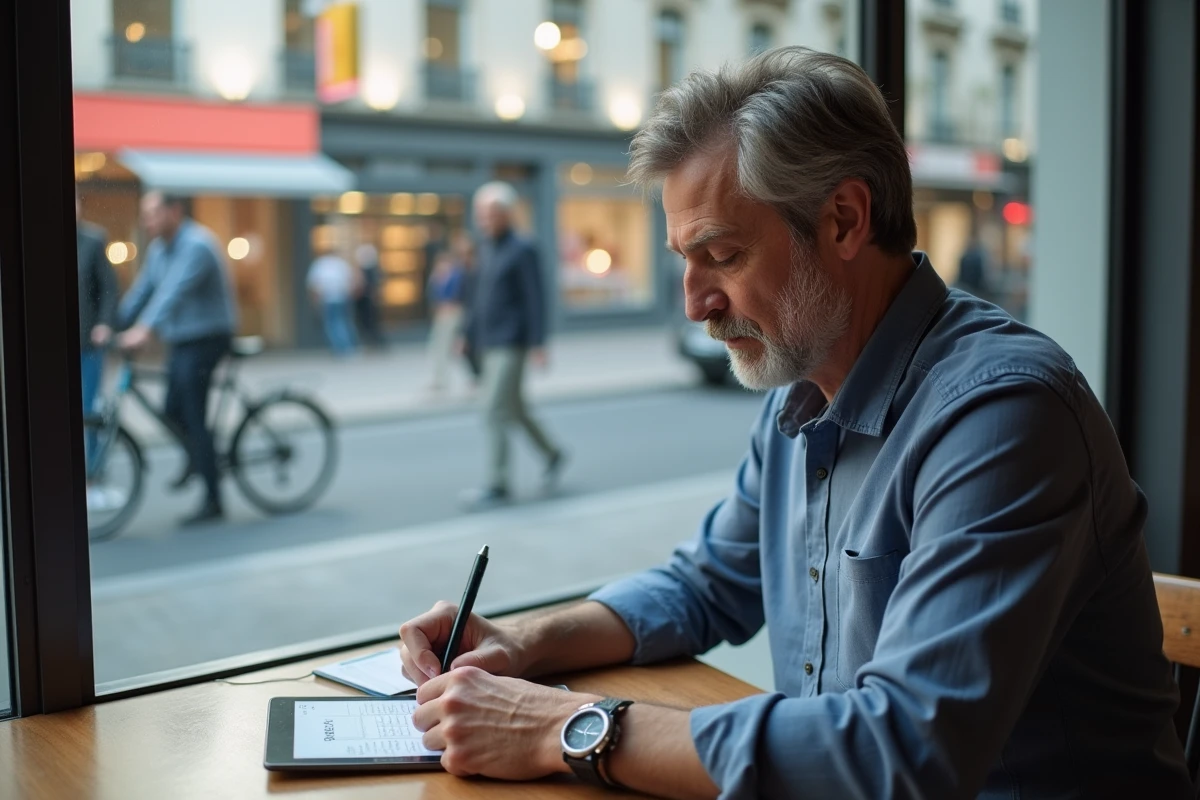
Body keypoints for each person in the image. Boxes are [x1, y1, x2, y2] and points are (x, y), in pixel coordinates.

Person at [396, 48, 1192, 799]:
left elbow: (903, 753)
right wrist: (523, 644)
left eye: (723, 254)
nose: (693, 303)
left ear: (844, 220)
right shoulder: (805, 389)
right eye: (683, 258)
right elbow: (707, 584)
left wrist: (570, 728)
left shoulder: (1005, 415)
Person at [118, 192, 237, 526]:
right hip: (183, 340)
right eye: (145, 214)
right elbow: (142, 292)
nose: (147, 221)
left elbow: (172, 293)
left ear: (175, 211)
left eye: (153, 213)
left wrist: (144, 330)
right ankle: (197, 456)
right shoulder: (158, 250)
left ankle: (214, 499)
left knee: (193, 414)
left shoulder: (197, 244)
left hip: (208, 337)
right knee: (171, 410)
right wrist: (113, 322)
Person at [459, 182, 565, 509]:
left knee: (492, 409)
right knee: (515, 408)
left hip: (512, 341)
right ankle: (552, 453)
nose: (483, 220)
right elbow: (478, 298)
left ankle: (497, 482)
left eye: (490, 214)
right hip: (487, 340)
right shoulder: (485, 248)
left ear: (507, 214)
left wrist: (538, 342)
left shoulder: (523, 248)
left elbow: (535, 298)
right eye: (480, 214)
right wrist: (467, 334)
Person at [76, 196, 119, 510]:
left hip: (89, 341)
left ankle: (91, 478)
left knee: (88, 411)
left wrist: (105, 324)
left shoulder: (93, 240)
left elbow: (107, 287)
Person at [425, 239, 470, 393]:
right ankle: (439, 380)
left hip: (453, 315)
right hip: (441, 316)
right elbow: (432, 296)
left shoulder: (458, 275)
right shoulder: (438, 277)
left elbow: (459, 296)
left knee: (454, 348)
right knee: (439, 348)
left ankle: (472, 378)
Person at [307, 245, 359, 357]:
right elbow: (351, 281)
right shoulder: (341, 264)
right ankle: (349, 348)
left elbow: (314, 284)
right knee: (343, 322)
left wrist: (315, 299)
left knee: (332, 324)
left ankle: (340, 349)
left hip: (328, 298)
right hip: (341, 297)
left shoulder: (320, 264)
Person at [354, 242, 386, 349]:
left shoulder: (370, 271)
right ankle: (373, 343)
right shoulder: (370, 270)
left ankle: (375, 343)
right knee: (368, 322)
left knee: (370, 322)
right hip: (365, 301)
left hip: (368, 301)